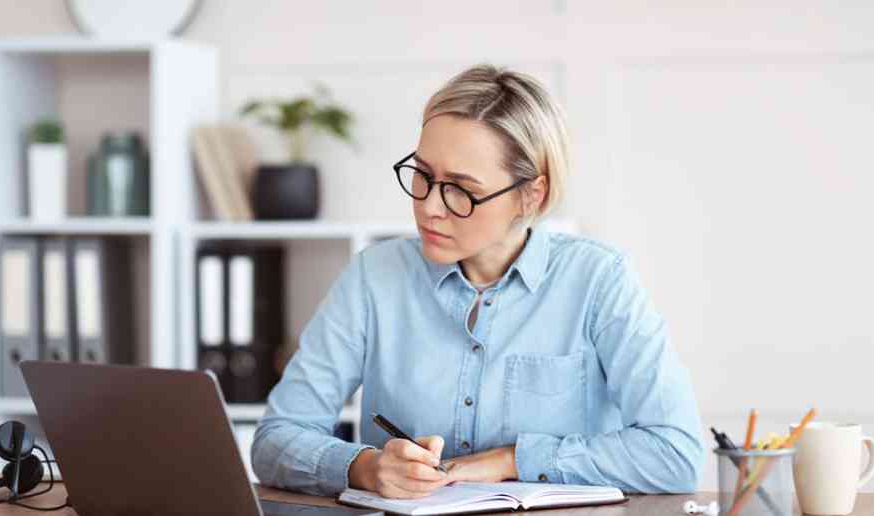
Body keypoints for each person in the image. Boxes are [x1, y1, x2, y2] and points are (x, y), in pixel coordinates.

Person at [252, 64, 704, 499]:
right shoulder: (374, 277)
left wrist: (512, 460)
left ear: (532, 194)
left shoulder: (599, 281)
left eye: (461, 189)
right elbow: (276, 438)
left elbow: (675, 454)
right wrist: (365, 468)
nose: (430, 207)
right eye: (423, 176)